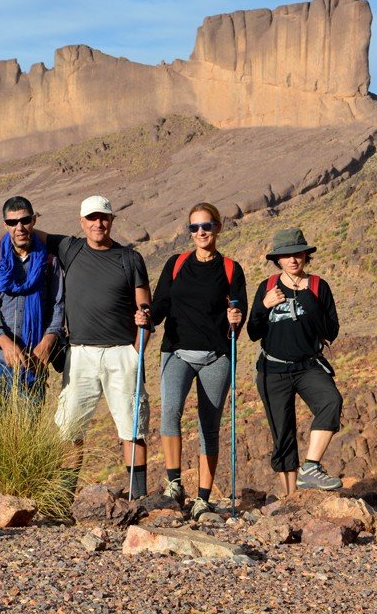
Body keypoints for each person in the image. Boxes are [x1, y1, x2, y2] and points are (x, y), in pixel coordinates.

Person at [0, 195, 151, 498]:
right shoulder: (70, 248)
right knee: (69, 428)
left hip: (122, 352)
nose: (98, 223)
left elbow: (144, 308)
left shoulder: (129, 258)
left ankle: (136, 496)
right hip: (81, 352)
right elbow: (21, 233)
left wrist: (138, 351)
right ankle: (62, 497)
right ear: (82, 222)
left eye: (103, 217)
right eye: (92, 218)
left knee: (132, 427)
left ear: (111, 220)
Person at [149, 203, 246, 520]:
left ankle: (203, 498)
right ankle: (174, 484)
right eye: (194, 227)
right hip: (177, 351)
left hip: (216, 356)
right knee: (171, 411)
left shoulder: (231, 269)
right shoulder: (176, 265)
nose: (201, 232)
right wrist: (147, 317)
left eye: (206, 226)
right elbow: (160, 305)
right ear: (189, 231)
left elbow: (238, 312)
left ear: (218, 227)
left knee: (209, 425)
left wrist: (235, 318)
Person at [247, 227, 343, 497]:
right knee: (283, 434)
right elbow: (254, 332)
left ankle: (310, 467)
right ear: (278, 259)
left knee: (330, 401)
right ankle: (291, 498)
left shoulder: (318, 286)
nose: (292, 260)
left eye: (297, 254)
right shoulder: (267, 287)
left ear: (305, 255)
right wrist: (263, 307)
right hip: (273, 369)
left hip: (309, 366)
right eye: (286, 255)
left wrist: (310, 303)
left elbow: (331, 331)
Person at [0, 196, 65, 400]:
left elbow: (57, 306)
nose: (19, 227)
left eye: (24, 220)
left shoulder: (49, 263)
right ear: (5, 225)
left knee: (29, 427)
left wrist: (47, 342)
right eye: (12, 222)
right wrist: (5, 343)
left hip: (34, 359)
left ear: (33, 220)